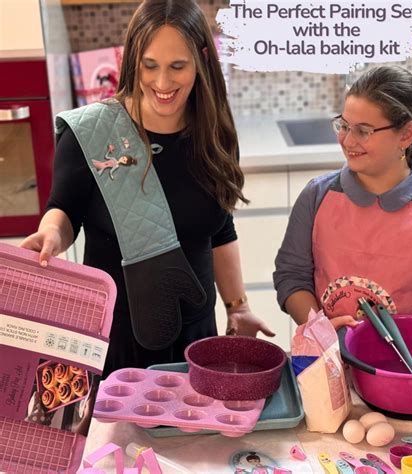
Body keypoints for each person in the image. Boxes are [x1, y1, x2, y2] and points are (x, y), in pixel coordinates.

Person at [21, 0, 274, 376]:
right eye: (149, 65)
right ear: (132, 60)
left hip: (197, 344)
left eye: (178, 66)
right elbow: (65, 209)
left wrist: (237, 307)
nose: (162, 83)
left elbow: (221, 228)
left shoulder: (214, 133)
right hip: (116, 342)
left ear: (202, 59)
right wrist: (51, 234)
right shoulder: (91, 135)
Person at [273, 66, 412, 353]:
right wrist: (319, 327)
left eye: (364, 131)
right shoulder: (316, 196)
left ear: (406, 134)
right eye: (343, 126)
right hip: (332, 364)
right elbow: (291, 277)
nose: (348, 141)